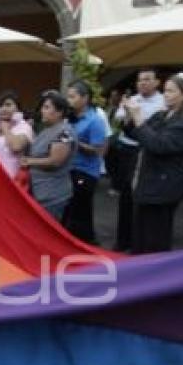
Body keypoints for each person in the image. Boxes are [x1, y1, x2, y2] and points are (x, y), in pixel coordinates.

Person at [123, 72, 183, 254]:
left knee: (154, 240)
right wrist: (129, 116)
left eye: (171, 91)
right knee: (140, 237)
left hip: (162, 188)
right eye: (165, 90)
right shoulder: (161, 115)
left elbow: (159, 145)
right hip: (146, 183)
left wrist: (139, 118)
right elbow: (136, 133)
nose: (165, 94)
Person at [112, 68, 165, 251]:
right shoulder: (132, 99)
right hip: (127, 149)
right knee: (125, 196)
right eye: (140, 80)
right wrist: (127, 112)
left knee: (141, 196)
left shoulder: (162, 103)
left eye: (147, 79)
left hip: (146, 151)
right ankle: (122, 241)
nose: (142, 83)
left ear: (157, 82)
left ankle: (138, 242)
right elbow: (120, 120)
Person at [63, 80, 108, 244]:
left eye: (73, 96)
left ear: (85, 98)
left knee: (81, 210)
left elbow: (96, 149)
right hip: (70, 168)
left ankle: (86, 243)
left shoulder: (95, 120)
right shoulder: (70, 118)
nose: (69, 100)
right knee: (70, 209)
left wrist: (75, 142)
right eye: (68, 96)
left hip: (86, 171)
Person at [20, 91, 76, 221]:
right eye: (42, 107)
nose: (42, 111)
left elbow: (56, 161)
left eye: (46, 107)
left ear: (60, 112)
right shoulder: (47, 129)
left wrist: (29, 161)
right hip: (39, 191)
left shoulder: (64, 132)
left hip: (53, 195)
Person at [0, 90, 33, 182]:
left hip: (9, 181)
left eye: (8, 105)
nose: (3, 108)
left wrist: (5, 128)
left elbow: (16, 146)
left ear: (17, 108)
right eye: (0, 106)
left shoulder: (24, 127)